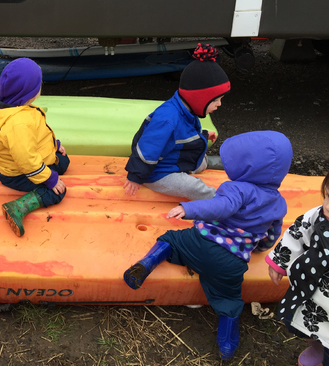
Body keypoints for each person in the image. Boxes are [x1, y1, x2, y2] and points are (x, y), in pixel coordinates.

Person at [123, 131, 293, 360]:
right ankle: (227, 344)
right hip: (231, 262)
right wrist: (261, 248)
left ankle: (146, 264)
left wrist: (189, 209)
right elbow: (272, 234)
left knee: (171, 239)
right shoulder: (279, 203)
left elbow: (222, 206)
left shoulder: (237, 189)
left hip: (200, 242)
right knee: (229, 300)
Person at [0, 58, 69, 237]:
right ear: (31, 92)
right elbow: (27, 161)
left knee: (63, 161)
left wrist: (54, 145)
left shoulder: (20, 106)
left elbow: (36, 135)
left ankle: (51, 168)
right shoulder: (18, 124)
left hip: (27, 163)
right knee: (58, 191)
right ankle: (18, 207)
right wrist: (50, 179)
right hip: (18, 174)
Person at [123, 43, 230, 201]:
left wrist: (204, 134)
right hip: (158, 172)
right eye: (215, 100)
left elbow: (180, 133)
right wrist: (135, 176)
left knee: (199, 161)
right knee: (191, 186)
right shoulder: (167, 118)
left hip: (173, 160)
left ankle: (205, 162)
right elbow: (148, 147)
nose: (219, 104)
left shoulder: (186, 108)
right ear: (198, 98)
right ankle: (221, 200)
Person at [267, 171, 329, 366]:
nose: (327, 206)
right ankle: (318, 346)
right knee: (296, 322)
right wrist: (280, 261)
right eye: (328, 196)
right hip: (309, 291)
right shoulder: (318, 216)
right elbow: (298, 232)